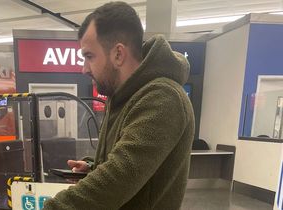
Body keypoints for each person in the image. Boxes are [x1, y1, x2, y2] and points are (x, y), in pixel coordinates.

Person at [43, 1, 195, 209]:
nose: (84, 69)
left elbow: (120, 176)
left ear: (118, 54)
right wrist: (92, 167)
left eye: (89, 56)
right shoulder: (122, 97)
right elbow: (133, 168)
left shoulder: (163, 97)